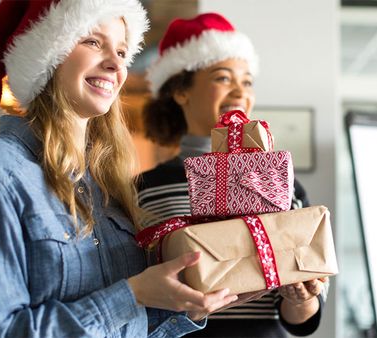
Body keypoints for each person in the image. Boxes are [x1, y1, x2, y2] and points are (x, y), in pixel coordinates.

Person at [0, 1, 238, 337]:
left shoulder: (105, 182)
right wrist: (133, 295)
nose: (115, 64)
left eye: (122, 51)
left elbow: (125, 329)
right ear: (46, 54)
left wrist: (184, 307)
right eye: (93, 42)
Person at [137, 13, 328, 337]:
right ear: (181, 91)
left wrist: (301, 298)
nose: (240, 91)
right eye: (223, 78)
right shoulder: (146, 187)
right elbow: (139, 291)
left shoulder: (283, 183)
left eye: (247, 81)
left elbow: (303, 319)